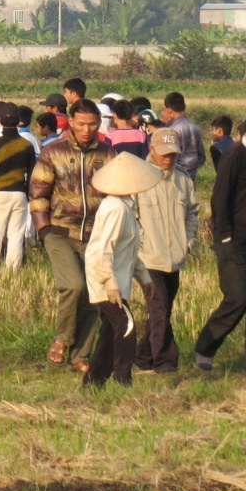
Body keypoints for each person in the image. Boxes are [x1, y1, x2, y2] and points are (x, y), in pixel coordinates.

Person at [30, 100, 114, 371]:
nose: (87, 129)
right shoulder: (52, 152)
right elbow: (38, 192)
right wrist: (44, 230)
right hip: (59, 231)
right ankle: (63, 339)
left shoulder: (108, 154)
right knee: (74, 285)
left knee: (92, 297)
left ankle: (80, 356)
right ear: (71, 123)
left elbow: (118, 194)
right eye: (81, 124)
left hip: (95, 234)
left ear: (98, 123)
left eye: (92, 123)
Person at [195, 104, 246, 373]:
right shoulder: (235, 156)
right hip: (235, 243)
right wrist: (226, 239)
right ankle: (205, 348)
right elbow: (219, 199)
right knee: (238, 299)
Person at [81, 153, 160, 388]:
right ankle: (123, 378)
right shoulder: (116, 209)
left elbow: (128, 252)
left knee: (109, 334)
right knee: (127, 326)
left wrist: (144, 280)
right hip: (105, 283)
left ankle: (94, 382)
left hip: (115, 281)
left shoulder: (124, 207)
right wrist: (110, 284)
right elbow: (103, 249)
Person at [133, 128, 199, 374]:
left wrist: (188, 241)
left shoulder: (183, 178)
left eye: (173, 154)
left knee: (161, 311)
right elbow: (131, 216)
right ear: (152, 150)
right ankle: (166, 362)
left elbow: (193, 212)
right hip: (149, 259)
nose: (169, 158)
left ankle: (143, 357)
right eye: (164, 153)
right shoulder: (139, 178)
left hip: (176, 258)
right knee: (159, 309)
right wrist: (141, 244)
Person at [0, 103, 35, 270]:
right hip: (19, 193)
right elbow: (32, 174)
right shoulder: (27, 145)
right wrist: (27, 194)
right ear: (18, 122)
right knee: (16, 235)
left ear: (1, 121)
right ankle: (13, 270)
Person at [160, 92, 204, 181]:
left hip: (177, 177)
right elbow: (201, 156)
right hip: (192, 176)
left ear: (169, 110)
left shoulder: (172, 130)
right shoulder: (195, 127)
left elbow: (170, 156)